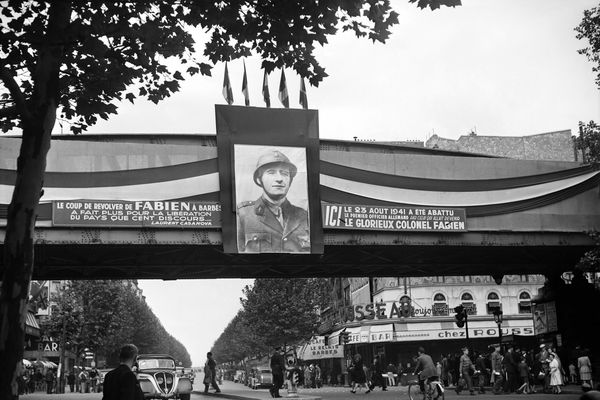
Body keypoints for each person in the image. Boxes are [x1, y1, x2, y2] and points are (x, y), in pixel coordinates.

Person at [237, 149, 310, 253]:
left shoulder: (303, 216)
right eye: (271, 172)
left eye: (284, 173)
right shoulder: (244, 214)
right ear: (259, 179)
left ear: (290, 180)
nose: (279, 179)